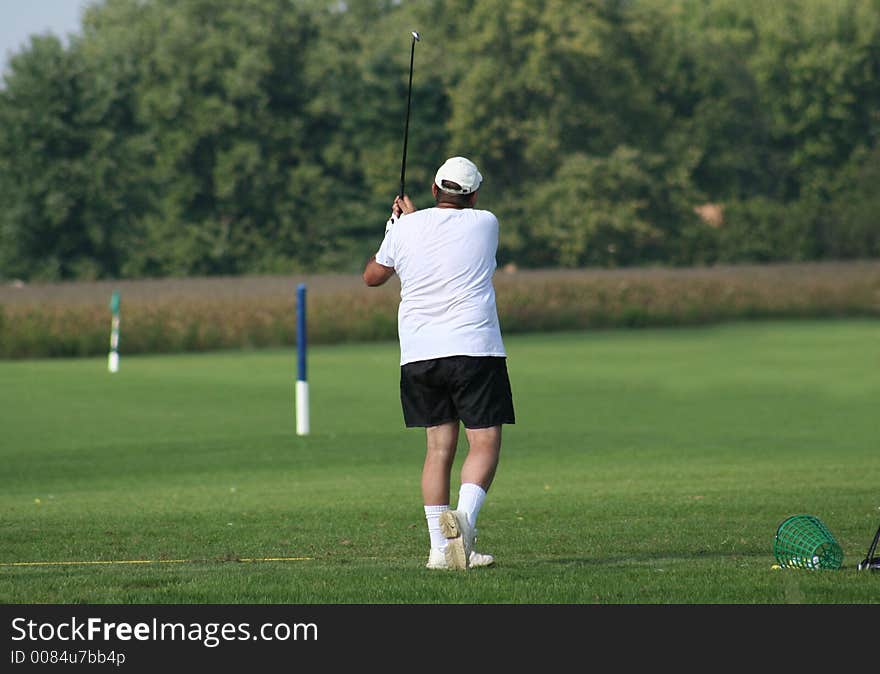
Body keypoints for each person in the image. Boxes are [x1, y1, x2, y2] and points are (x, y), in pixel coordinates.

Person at [363, 156, 515, 571]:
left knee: (437, 449)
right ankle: (463, 526)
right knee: (483, 444)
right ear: (475, 195)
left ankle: (439, 551)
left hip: (419, 354)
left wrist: (395, 228)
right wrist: (409, 226)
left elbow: (373, 276)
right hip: (474, 349)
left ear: (434, 189)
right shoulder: (487, 223)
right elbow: (448, 234)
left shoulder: (407, 228)